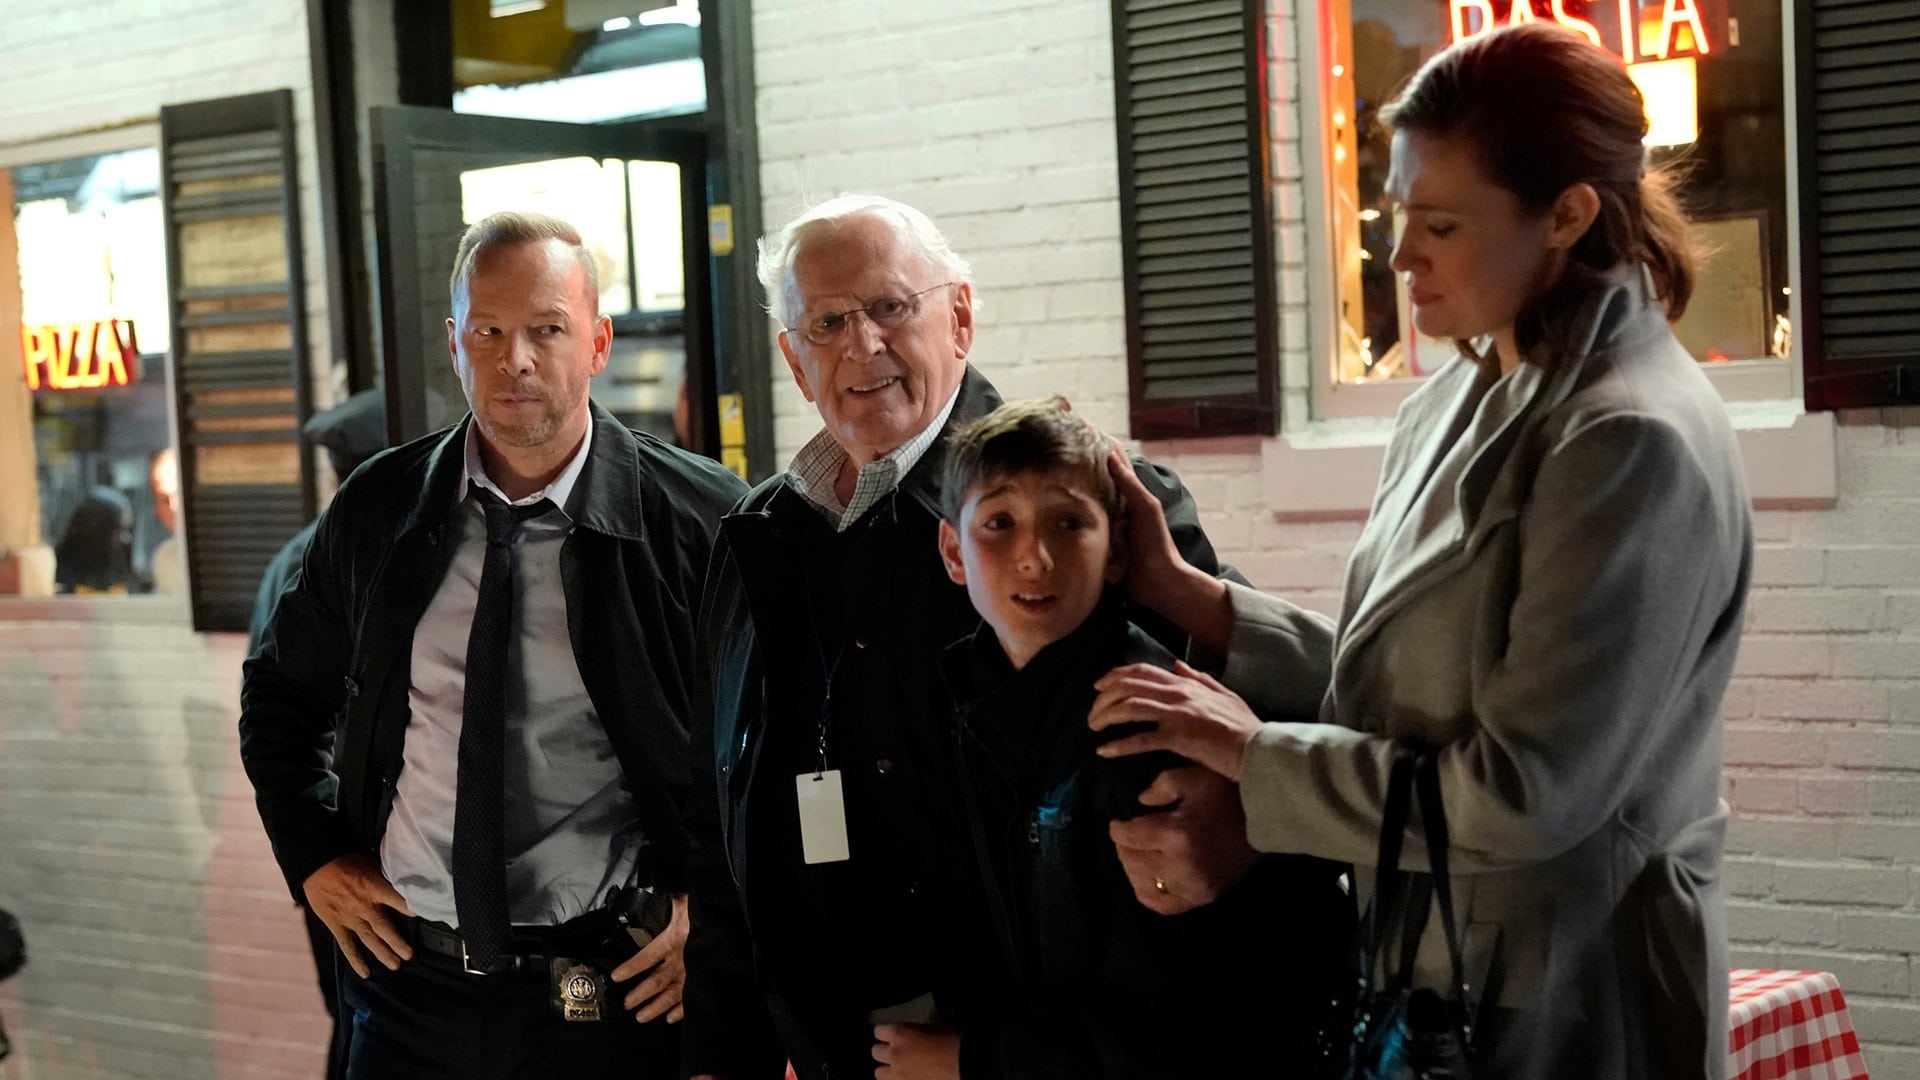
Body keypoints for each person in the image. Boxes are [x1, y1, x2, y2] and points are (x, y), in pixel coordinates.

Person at [1087, 23, 1753, 1079]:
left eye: (1439, 223)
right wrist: (1193, 597)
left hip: (1569, 995)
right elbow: (1409, 687)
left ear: (1568, 216)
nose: (1399, 256)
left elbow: (1522, 793)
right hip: (1436, 971)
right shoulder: (1458, 391)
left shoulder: (1628, 437)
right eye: (1398, 211)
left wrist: (1255, 762)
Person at [682, 195, 1247, 1080]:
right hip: (836, 1047)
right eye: (827, 322)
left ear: (960, 318)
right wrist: (720, 1049)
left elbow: (1230, 748)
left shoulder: (1091, 505)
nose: (863, 343)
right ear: (794, 360)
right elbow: (725, 808)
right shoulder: (760, 535)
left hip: (1035, 1051)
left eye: (890, 306)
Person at [240, 210, 745, 1078]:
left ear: (597, 343)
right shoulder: (381, 505)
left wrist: (718, 912)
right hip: (407, 983)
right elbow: (280, 694)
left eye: (547, 329)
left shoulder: (701, 518)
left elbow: (769, 748)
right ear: (454, 344)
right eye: (489, 331)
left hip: (609, 987)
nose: (516, 359)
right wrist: (312, 851)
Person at [911, 396, 1347, 1077]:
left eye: (1068, 522)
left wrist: (980, 1059)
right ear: (952, 552)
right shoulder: (966, 697)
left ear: (1117, 549)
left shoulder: (1145, 718)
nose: (1034, 557)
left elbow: (1167, 1020)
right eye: (999, 523)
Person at [245, 387, 386, 1080]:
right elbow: (288, 712)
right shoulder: (347, 556)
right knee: (367, 1019)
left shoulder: (295, 554)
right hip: (349, 845)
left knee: (354, 1018)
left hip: (327, 840)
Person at [53, 486, 138, 594]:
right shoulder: (56, 579)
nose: (126, 539)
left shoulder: (129, 582)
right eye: (117, 531)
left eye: (128, 530)